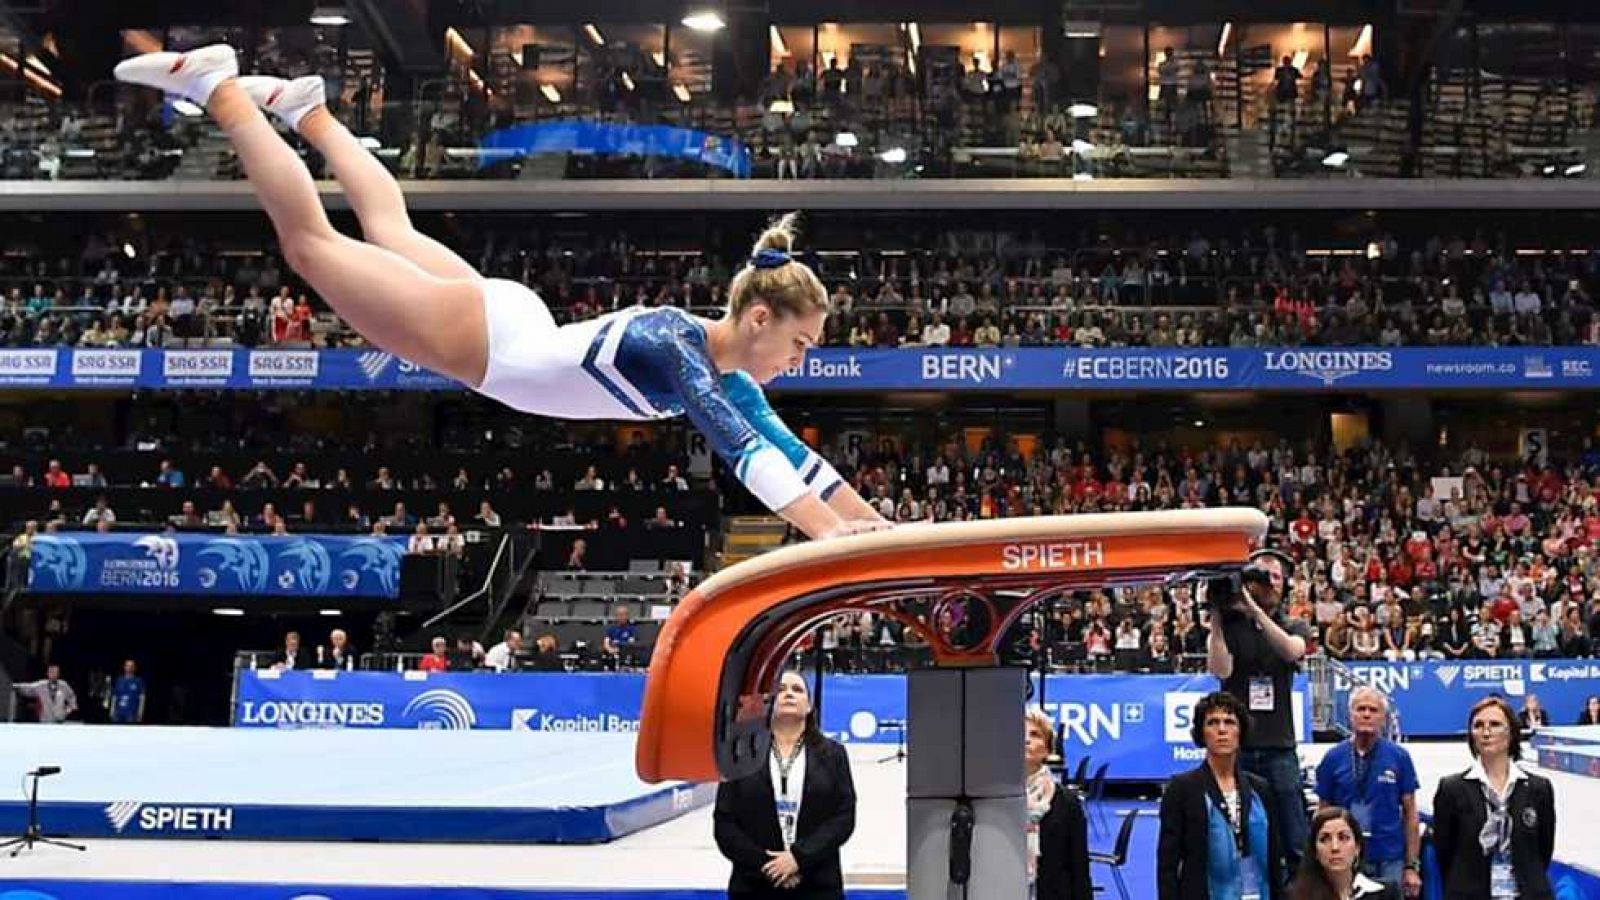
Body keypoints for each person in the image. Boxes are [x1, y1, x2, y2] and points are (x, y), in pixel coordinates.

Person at [113, 45, 888, 543]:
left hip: (516, 323)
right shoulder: (680, 346)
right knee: (312, 247)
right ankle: (221, 91)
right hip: (489, 343)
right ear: (758, 315)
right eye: (799, 342)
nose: (801, 359)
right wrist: (825, 534)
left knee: (387, 226)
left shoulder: (721, 368)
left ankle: (309, 110)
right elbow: (746, 453)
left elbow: (788, 451)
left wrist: (872, 527)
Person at [1208, 549, 1313, 871]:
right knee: (1237, 837)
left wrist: (1253, 610)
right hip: (1238, 747)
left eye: (1275, 577)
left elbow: (1291, 651)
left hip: (1278, 746)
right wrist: (1217, 614)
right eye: (1259, 576)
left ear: (1284, 586)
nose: (1268, 583)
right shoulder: (1230, 625)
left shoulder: (1293, 624)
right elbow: (1220, 670)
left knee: (1293, 836)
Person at [714, 670, 856, 898]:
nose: (789, 694)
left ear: (809, 706)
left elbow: (843, 817)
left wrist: (798, 858)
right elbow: (725, 822)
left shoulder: (833, 754)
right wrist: (768, 864)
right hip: (754, 885)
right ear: (767, 702)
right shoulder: (742, 752)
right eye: (780, 690)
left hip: (817, 884)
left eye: (797, 690)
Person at [1157, 691, 1286, 900]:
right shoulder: (1182, 789)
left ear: (1240, 732)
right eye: (1212, 723)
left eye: (1230, 722)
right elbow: (1168, 865)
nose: (1222, 730)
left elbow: (1274, 859)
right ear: (1201, 732)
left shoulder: (1260, 789)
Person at [1432, 696, 1556, 900]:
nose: (1486, 732)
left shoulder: (1538, 788)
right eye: (1478, 725)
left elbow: (1543, 850)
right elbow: (1445, 852)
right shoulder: (1452, 788)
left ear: (1511, 732)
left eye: (1495, 724)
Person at [1313, 688, 1420, 897]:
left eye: (1374, 710)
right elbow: (1322, 814)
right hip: (1346, 858)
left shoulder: (1399, 757)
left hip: (1389, 858)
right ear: (1350, 714)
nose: (1367, 714)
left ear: (1384, 717)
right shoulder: (1333, 758)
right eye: (1361, 709)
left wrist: (1411, 866)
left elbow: (1410, 814)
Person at [1025, 706, 1092, 900]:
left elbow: (1079, 869)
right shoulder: (990, 801)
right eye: (1020, 733)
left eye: (1035, 734)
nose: (1026, 740)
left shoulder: (1067, 803)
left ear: (1047, 749)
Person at [1289, 806, 1399, 900]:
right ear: (1315, 851)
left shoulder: (1385, 894)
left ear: (1357, 848)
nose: (1335, 847)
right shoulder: (1297, 896)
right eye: (1325, 839)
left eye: (1343, 838)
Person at [14, 664, 78, 723]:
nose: (53, 674)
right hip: (45, 719)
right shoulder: (41, 685)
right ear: (47, 673)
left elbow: (71, 697)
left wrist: (69, 709)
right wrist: (14, 686)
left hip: (60, 719)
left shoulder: (63, 685)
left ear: (58, 674)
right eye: (51, 672)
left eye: (55, 672)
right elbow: (28, 687)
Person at [108, 659, 147, 724]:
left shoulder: (138, 681)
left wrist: (140, 713)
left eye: (131, 666)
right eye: (127, 666)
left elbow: (142, 698)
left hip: (131, 713)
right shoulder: (119, 680)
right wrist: (112, 711)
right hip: (119, 713)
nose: (129, 668)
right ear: (124, 667)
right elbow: (114, 697)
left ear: (135, 668)